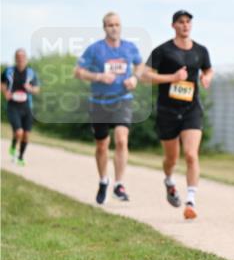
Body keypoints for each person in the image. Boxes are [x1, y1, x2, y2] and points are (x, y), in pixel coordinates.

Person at [142, 11, 213, 220]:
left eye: (188, 22)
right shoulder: (163, 51)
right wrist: (172, 77)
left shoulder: (201, 51)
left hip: (192, 109)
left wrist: (206, 77)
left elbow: (209, 70)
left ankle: (190, 201)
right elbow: (145, 76)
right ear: (173, 25)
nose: (185, 25)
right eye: (181, 22)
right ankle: (169, 180)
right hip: (167, 110)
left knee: (191, 154)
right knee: (171, 158)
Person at [74, 12, 146, 204]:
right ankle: (104, 180)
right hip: (99, 103)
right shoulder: (95, 49)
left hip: (123, 100)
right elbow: (78, 72)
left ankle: (119, 185)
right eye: (110, 25)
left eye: (117, 24)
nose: (114, 28)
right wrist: (98, 77)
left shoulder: (130, 47)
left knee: (122, 140)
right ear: (104, 28)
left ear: (121, 26)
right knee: (102, 145)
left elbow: (140, 65)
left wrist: (134, 78)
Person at [2, 49, 40, 166]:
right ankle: (13, 146)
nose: (20, 59)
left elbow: (37, 89)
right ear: (15, 58)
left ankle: (20, 157)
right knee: (19, 132)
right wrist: (5, 93)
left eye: (23, 57)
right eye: (18, 57)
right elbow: (2, 84)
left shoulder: (31, 73)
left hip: (27, 107)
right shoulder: (8, 71)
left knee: (26, 134)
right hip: (13, 106)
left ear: (26, 59)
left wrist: (30, 89)